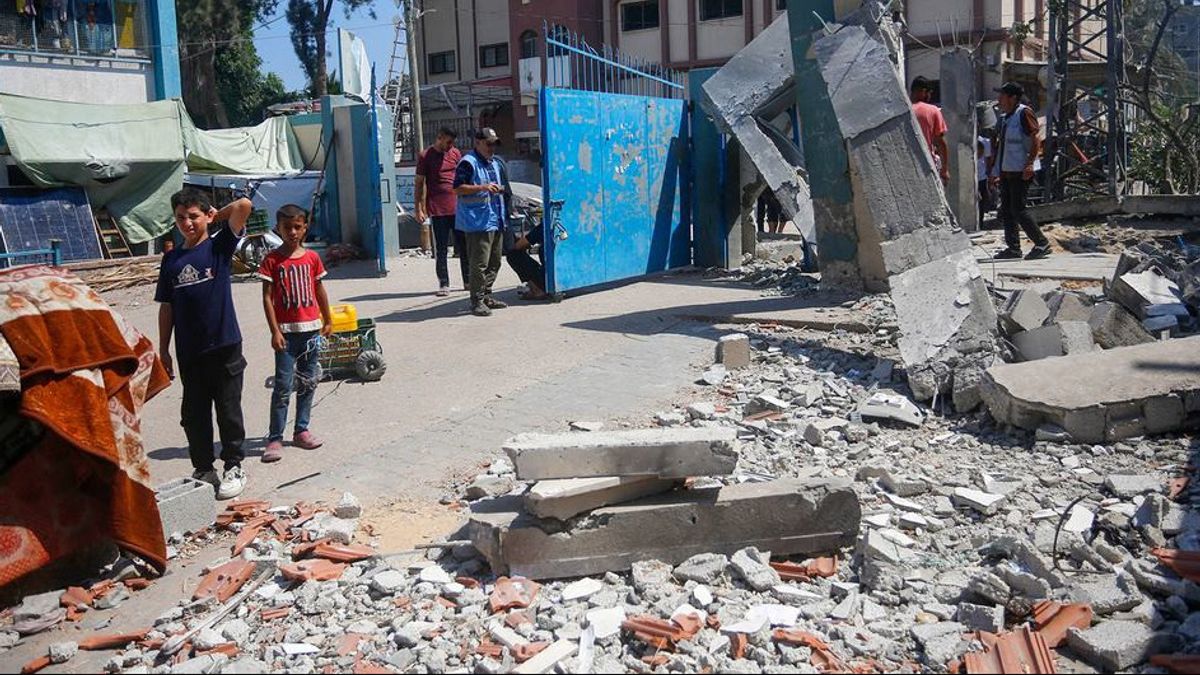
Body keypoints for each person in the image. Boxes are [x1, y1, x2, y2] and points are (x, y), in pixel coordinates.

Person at [156, 189, 252, 500]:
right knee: (194, 413)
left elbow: (243, 206)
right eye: (181, 218)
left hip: (224, 345)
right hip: (189, 352)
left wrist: (212, 216)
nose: (187, 223)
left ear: (207, 216)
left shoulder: (219, 247)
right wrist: (164, 349)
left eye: (194, 216)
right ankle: (203, 468)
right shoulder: (172, 260)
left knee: (227, 409)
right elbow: (166, 307)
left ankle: (234, 466)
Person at [257, 205, 333, 464]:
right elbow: (267, 298)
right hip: (286, 335)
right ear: (277, 228)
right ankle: (275, 437)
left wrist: (328, 319)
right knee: (282, 386)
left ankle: (301, 429)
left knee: (308, 382)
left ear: (304, 228)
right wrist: (274, 331)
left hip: (311, 330)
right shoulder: (272, 260)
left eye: (297, 227)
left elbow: (320, 290)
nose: (292, 232)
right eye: (286, 227)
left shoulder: (312, 258)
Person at [988, 81, 1051, 260]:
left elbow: (1035, 138)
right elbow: (1000, 148)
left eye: (1002, 96)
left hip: (1021, 170)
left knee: (1019, 209)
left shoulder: (1024, 113)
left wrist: (1030, 163)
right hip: (1007, 170)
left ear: (1012, 97)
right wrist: (995, 172)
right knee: (1007, 210)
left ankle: (1041, 243)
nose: (999, 99)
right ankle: (1013, 249)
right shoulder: (1005, 118)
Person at [453, 127, 510, 317]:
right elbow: (458, 188)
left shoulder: (494, 163)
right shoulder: (468, 163)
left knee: (495, 262)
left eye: (494, 144)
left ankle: (486, 295)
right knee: (479, 263)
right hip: (477, 221)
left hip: (495, 218)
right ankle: (476, 300)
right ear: (477, 143)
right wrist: (483, 187)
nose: (492, 148)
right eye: (488, 144)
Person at [415, 127, 468, 297]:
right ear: (439, 138)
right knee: (442, 248)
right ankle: (444, 283)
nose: (450, 146)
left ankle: (468, 280)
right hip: (437, 209)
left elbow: (462, 177)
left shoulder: (455, 154)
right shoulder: (425, 156)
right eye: (448, 142)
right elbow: (419, 183)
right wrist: (419, 208)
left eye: (452, 143)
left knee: (464, 246)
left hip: (457, 208)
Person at [910, 76, 950, 185]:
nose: (930, 96)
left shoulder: (904, 111)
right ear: (922, 91)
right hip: (927, 166)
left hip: (907, 166)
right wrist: (944, 170)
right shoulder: (933, 111)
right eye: (929, 93)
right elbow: (941, 142)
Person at [506, 222, 548, 301]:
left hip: (549, 276)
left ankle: (537, 291)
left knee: (513, 255)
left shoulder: (546, 225)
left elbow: (519, 246)